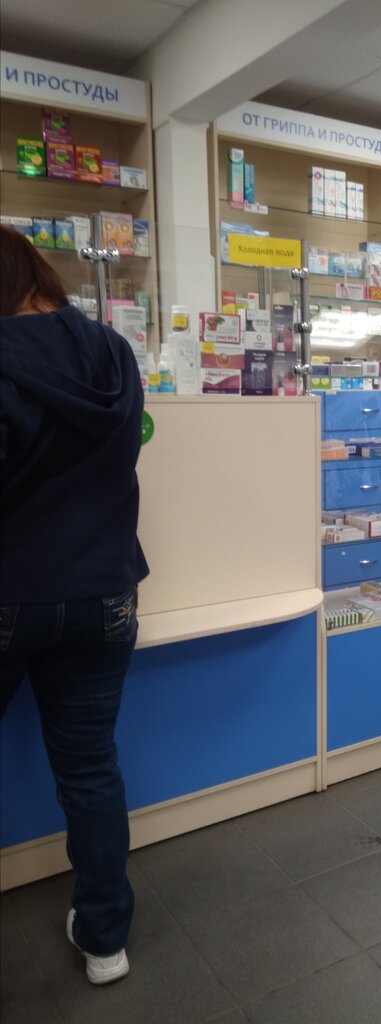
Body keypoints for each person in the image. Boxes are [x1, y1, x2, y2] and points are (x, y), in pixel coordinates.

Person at [0, 225, 148, 985]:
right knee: (90, 769)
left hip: (11, 592)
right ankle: (105, 940)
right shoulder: (113, 353)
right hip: (105, 591)